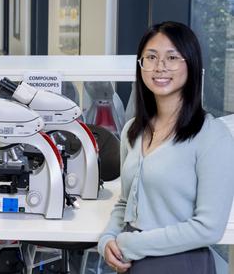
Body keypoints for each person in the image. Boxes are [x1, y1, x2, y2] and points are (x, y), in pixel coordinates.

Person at [98, 21, 234, 273]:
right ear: (140, 66)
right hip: (133, 263)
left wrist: (132, 243)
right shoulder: (132, 131)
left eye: (172, 57)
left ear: (190, 65)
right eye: (151, 57)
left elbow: (209, 227)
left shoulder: (212, 136)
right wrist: (107, 239)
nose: (160, 67)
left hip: (181, 263)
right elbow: (125, 203)